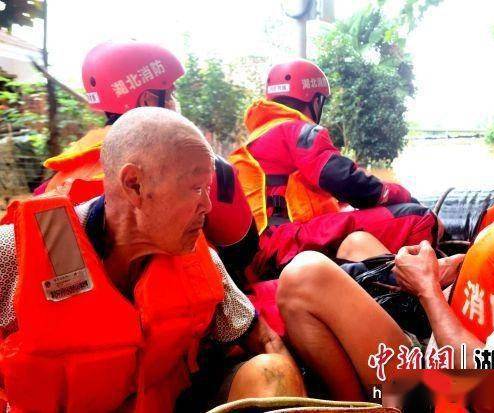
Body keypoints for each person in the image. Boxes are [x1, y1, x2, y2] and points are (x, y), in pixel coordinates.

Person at [276, 59, 494, 411]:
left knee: (303, 278)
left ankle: (370, 407)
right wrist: (458, 266)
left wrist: (428, 291)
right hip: (446, 339)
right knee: (356, 243)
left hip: (453, 391)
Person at [0, 108, 305, 412]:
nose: (208, 206)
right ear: (134, 185)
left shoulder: (199, 258)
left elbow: (265, 341)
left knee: (273, 371)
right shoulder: (16, 253)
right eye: (196, 188)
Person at [27, 41, 256, 261]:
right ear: (148, 101)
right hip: (175, 296)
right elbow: (241, 248)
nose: (174, 102)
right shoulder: (204, 168)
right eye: (170, 93)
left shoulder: (55, 182)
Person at [229, 59, 437, 280]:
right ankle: (415, 295)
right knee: (418, 217)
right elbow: (344, 179)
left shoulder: (259, 137)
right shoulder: (294, 130)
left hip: (262, 249)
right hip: (283, 243)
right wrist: (400, 194)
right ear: (315, 101)